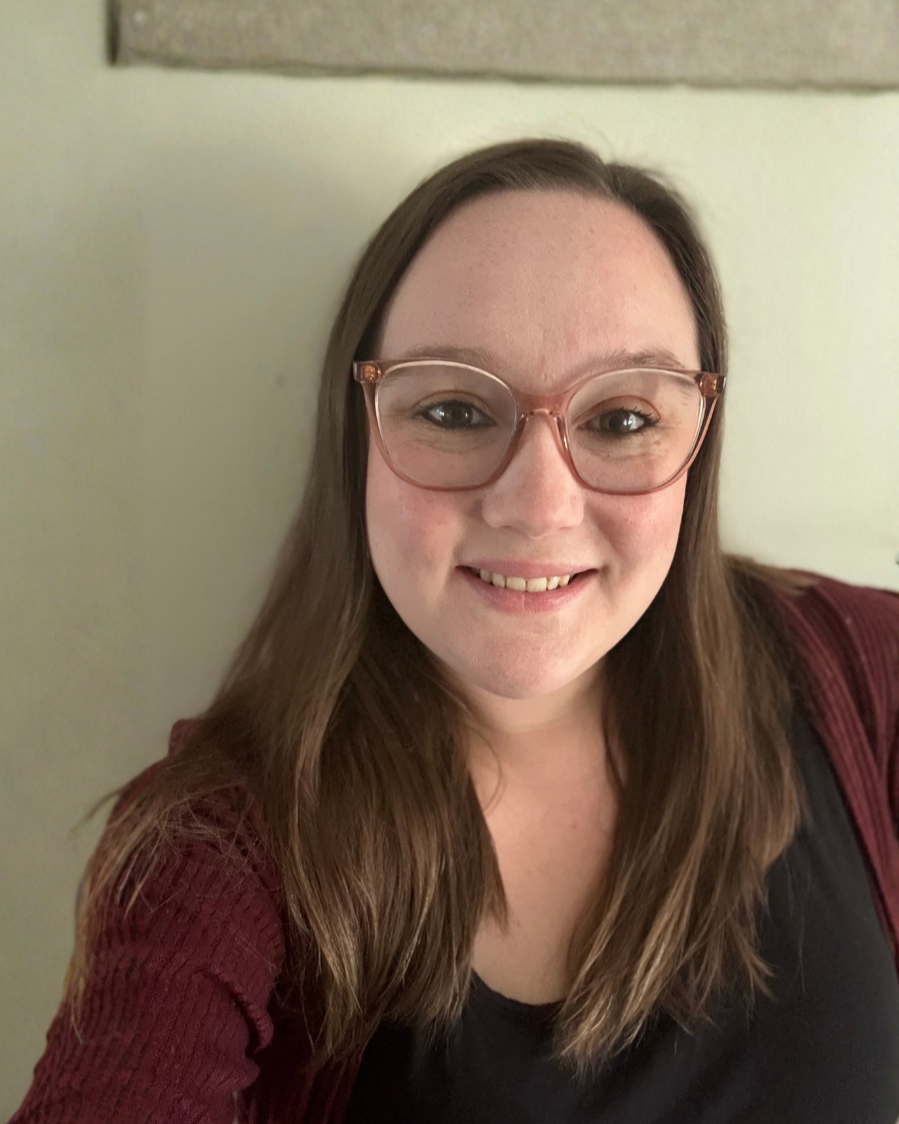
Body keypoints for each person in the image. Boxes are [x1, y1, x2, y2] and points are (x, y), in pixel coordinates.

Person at [11, 139, 899, 1124]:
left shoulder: (868, 676)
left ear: (696, 442)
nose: (535, 505)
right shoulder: (224, 839)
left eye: (619, 419)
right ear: (357, 433)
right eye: (452, 407)